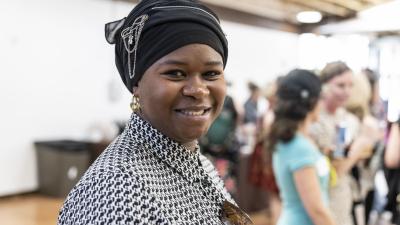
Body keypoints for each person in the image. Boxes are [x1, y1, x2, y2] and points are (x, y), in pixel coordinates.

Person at [57, 0, 252, 224]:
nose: (198, 90)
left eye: (211, 74)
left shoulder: (195, 162)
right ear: (136, 83)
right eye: (176, 73)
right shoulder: (117, 190)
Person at [267, 69, 336, 225]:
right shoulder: (298, 146)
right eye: (321, 97)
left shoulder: (296, 140)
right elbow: (316, 210)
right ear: (311, 101)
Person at [310, 61, 372, 225]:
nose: (347, 91)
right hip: (322, 196)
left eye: (350, 86)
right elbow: (333, 170)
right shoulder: (315, 121)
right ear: (324, 86)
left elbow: (364, 152)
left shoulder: (349, 119)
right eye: (340, 85)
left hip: (345, 195)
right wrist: (357, 148)